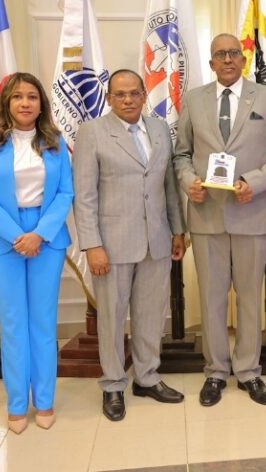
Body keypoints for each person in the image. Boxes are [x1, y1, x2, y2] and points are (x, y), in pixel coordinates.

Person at [173, 33, 266, 407]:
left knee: (249, 297)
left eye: (233, 53)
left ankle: (248, 371)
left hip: (251, 214)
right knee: (211, 299)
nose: (227, 59)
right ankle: (215, 372)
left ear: (243, 60)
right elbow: (181, 154)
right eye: (219, 54)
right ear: (211, 62)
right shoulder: (194, 100)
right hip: (206, 215)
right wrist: (189, 182)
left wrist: (254, 183)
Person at [72, 69, 187, 422]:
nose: (127, 100)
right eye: (120, 94)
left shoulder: (158, 129)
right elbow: (85, 195)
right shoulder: (92, 132)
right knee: (111, 316)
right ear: (109, 98)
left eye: (134, 93)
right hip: (112, 243)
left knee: (151, 313)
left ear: (144, 95)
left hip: (157, 239)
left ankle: (147, 377)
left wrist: (178, 230)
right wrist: (92, 244)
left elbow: (168, 185)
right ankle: (112, 384)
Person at [0, 72, 74, 434]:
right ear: (6, 103)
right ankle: (16, 404)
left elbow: (65, 193)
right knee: (13, 324)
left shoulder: (55, 141)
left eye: (32, 96)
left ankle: (44, 400)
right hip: (1, 238)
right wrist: (17, 236)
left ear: (41, 104)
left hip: (46, 236)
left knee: (43, 322)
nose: (25, 103)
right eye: (17, 97)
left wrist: (39, 234)